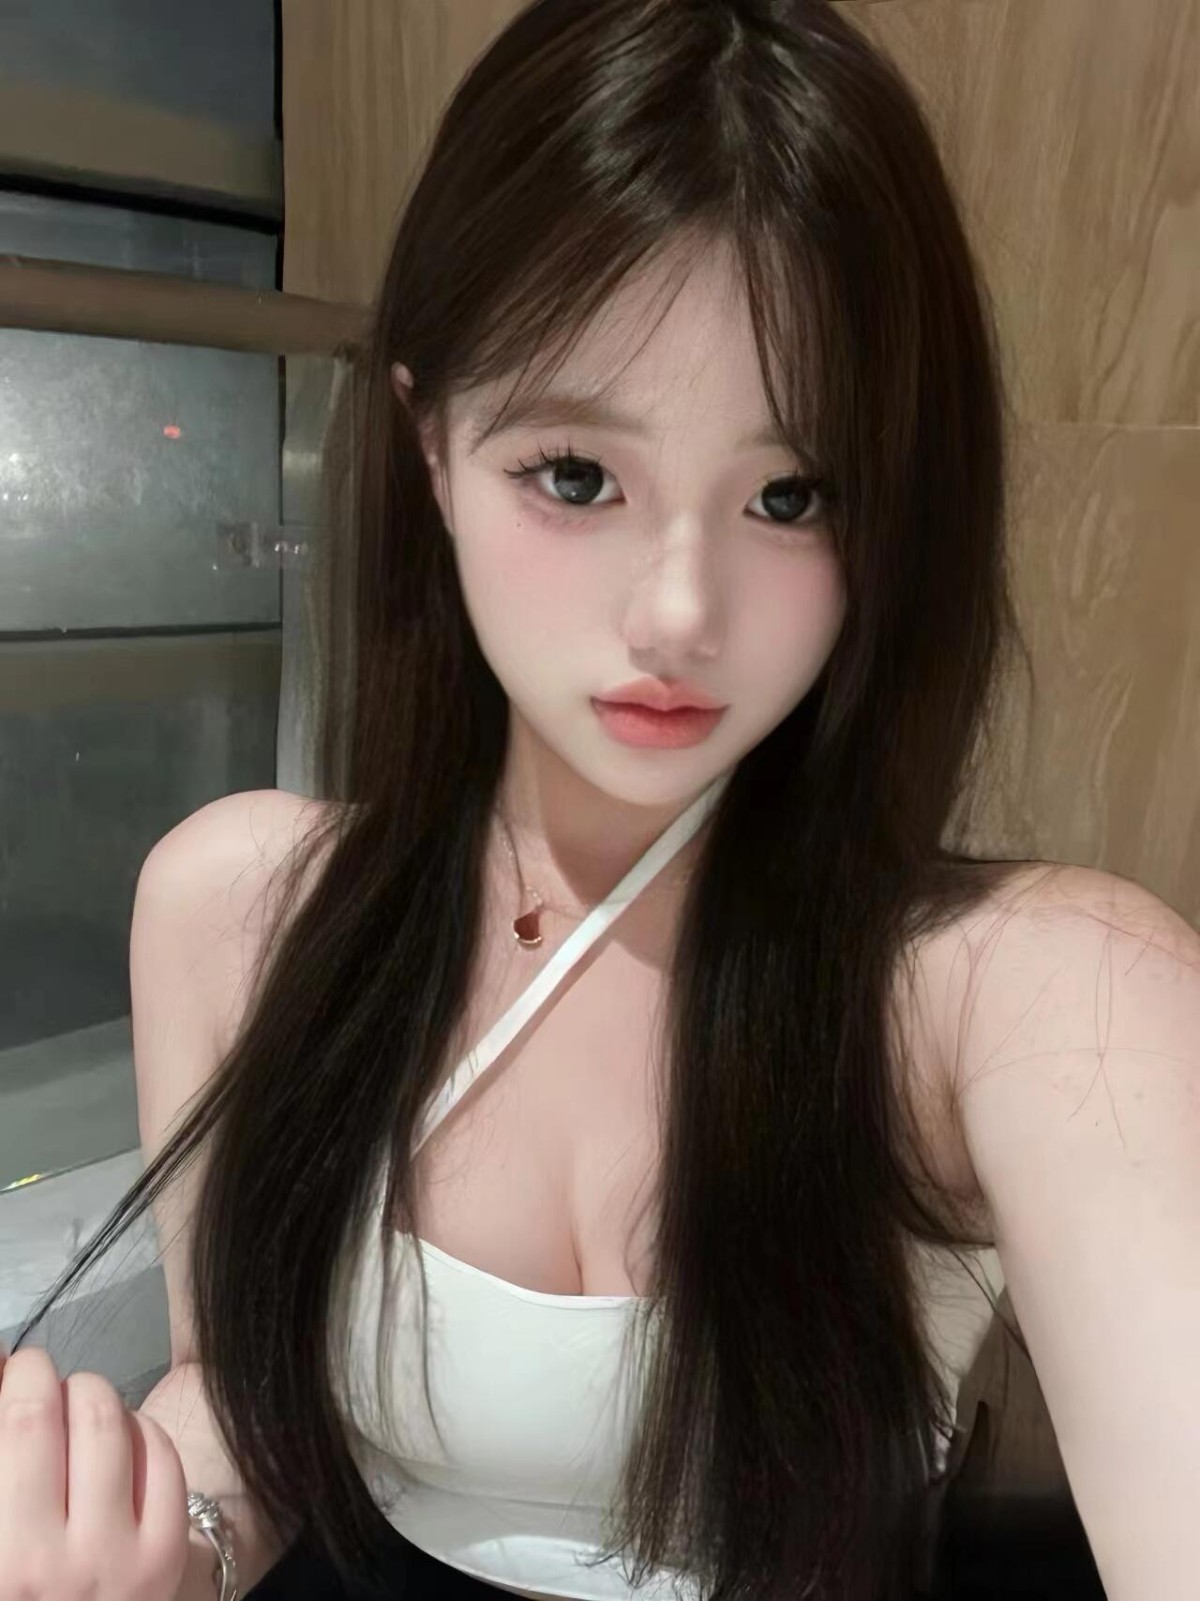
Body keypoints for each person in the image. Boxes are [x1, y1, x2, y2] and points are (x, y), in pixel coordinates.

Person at [3, 1, 1198, 1598]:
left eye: (791, 492)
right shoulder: (243, 909)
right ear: (433, 446)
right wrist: (169, 1550)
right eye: (576, 475)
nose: (680, 611)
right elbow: (241, 1400)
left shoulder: (1024, 986)